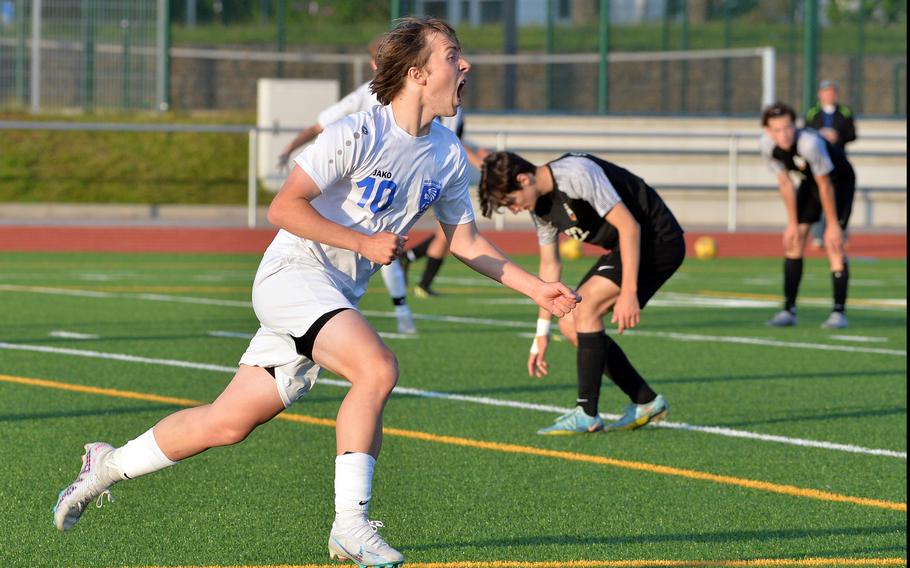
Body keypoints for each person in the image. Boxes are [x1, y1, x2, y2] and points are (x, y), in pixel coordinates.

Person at [52, 17, 579, 567]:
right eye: (454, 55)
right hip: (292, 275)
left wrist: (536, 288)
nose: (465, 64)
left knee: (227, 423)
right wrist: (364, 241)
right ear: (419, 73)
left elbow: (467, 244)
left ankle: (104, 467)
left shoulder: (446, 154)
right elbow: (285, 207)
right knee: (376, 368)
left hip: (333, 296)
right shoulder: (358, 132)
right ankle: (350, 525)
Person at [477, 150, 684, 435]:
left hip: (657, 240)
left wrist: (629, 293)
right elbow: (550, 267)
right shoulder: (540, 207)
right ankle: (645, 401)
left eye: (510, 202)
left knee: (586, 309)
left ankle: (587, 413)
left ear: (523, 179)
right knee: (569, 322)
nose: (513, 210)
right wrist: (541, 333)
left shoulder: (576, 174)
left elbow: (629, 226)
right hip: (626, 248)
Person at [277, 36, 417, 334]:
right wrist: (291, 146)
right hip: (354, 185)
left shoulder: (419, 106)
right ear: (375, 65)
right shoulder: (364, 98)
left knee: (384, 245)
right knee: (377, 367)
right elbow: (322, 125)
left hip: (394, 183)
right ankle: (396, 310)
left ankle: (400, 310)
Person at [761, 102, 855, 329]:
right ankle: (788, 310)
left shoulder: (809, 144)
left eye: (787, 127)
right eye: (777, 130)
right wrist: (792, 224)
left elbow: (825, 184)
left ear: (795, 125)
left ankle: (838, 313)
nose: (783, 135)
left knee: (834, 243)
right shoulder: (766, 145)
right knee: (794, 240)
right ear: (767, 131)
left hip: (838, 182)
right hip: (809, 183)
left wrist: (832, 225)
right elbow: (785, 183)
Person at [400, 101, 489, 298]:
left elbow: (453, 139)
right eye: (459, 68)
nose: (466, 68)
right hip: (436, 173)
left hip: (440, 171)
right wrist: (481, 164)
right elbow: (452, 143)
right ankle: (422, 282)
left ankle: (409, 259)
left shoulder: (453, 105)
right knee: (450, 234)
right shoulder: (445, 105)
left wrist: (479, 153)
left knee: (448, 233)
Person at [804, 80, 858, 249]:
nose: (829, 95)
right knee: (820, 195)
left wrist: (838, 136)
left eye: (832, 92)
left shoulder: (845, 112)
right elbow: (805, 133)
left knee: (840, 198)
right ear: (820, 94)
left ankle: (840, 233)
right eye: (826, 92)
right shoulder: (812, 113)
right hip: (818, 161)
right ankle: (818, 236)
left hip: (838, 161)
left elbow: (852, 134)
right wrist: (820, 135)